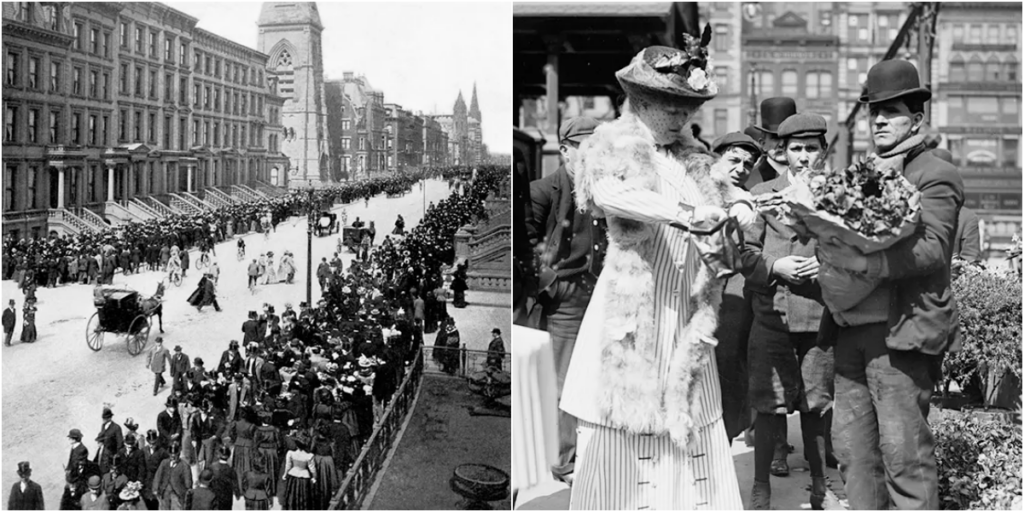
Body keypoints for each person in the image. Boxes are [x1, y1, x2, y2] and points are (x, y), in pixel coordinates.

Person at [560, 44, 755, 510]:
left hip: (685, 311)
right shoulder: (613, 143)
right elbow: (609, 193)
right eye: (668, 107)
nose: (676, 117)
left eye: (685, 109)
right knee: (629, 418)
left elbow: (728, 189)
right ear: (640, 102)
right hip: (637, 308)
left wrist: (742, 206)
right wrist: (688, 213)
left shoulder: (694, 156)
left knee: (685, 414)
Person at [816, 60, 964, 510]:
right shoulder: (863, 173)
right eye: (873, 112)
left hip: (900, 337)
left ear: (916, 119)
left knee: (904, 459)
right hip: (852, 335)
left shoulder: (934, 172)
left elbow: (933, 249)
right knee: (853, 456)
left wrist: (865, 259)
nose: (878, 120)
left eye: (891, 111)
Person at [741, 113, 840, 510]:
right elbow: (742, 252)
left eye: (811, 149)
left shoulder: (839, 195)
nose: (803, 158)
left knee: (817, 405)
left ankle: (819, 485)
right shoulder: (763, 194)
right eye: (795, 149)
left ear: (823, 151)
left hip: (819, 316)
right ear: (783, 152)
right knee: (769, 404)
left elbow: (859, 250)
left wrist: (827, 263)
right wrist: (774, 266)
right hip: (773, 316)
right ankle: (761, 485)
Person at [526, 115, 608, 482]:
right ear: (565, 151)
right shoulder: (542, 191)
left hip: (604, 294)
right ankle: (565, 461)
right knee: (566, 378)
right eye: (588, 149)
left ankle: (596, 452)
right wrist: (553, 286)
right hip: (567, 299)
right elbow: (525, 250)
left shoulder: (607, 189)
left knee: (602, 375)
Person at [709, 132, 762, 445]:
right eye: (734, 160)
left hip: (731, 290)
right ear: (717, 158)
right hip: (688, 290)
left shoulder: (747, 200)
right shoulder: (693, 187)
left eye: (748, 163)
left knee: (728, 361)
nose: (742, 168)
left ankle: (724, 438)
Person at [748, 97, 798, 189]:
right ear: (763, 144)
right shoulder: (749, 183)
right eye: (775, 138)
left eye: (787, 137)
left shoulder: (808, 178)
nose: (781, 144)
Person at [281, 433, 317, 510]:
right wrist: (314, 477)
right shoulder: (309, 456)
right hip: (304, 477)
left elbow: (288, 466)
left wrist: (285, 475)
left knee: (292, 495)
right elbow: (312, 469)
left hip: (293, 476)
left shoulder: (290, 453)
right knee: (303, 497)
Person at [153, 443, 192, 510]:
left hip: (177, 493)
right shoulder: (164, 463)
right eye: (171, 455)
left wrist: (186, 490)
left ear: (179, 454)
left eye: (175, 456)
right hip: (164, 491)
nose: (173, 457)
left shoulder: (184, 466)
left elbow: (188, 482)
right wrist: (155, 488)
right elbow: (158, 475)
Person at [95, 407, 125, 475]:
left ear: (110, 418)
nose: (103, 420)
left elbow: (120, 443)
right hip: (103, 453)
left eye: (105, 418)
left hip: (111, 454)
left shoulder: (116, 427)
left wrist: (116, 457)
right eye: (103, 418)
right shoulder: (103, 426)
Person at [208, 446, 239, 511]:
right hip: (227, 497)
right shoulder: (231, 470)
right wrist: (237, 494)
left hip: (214, 495)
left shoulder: (212, 467)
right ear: (228, 456)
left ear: (219, 455)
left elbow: (208, 481)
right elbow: (235, 484)